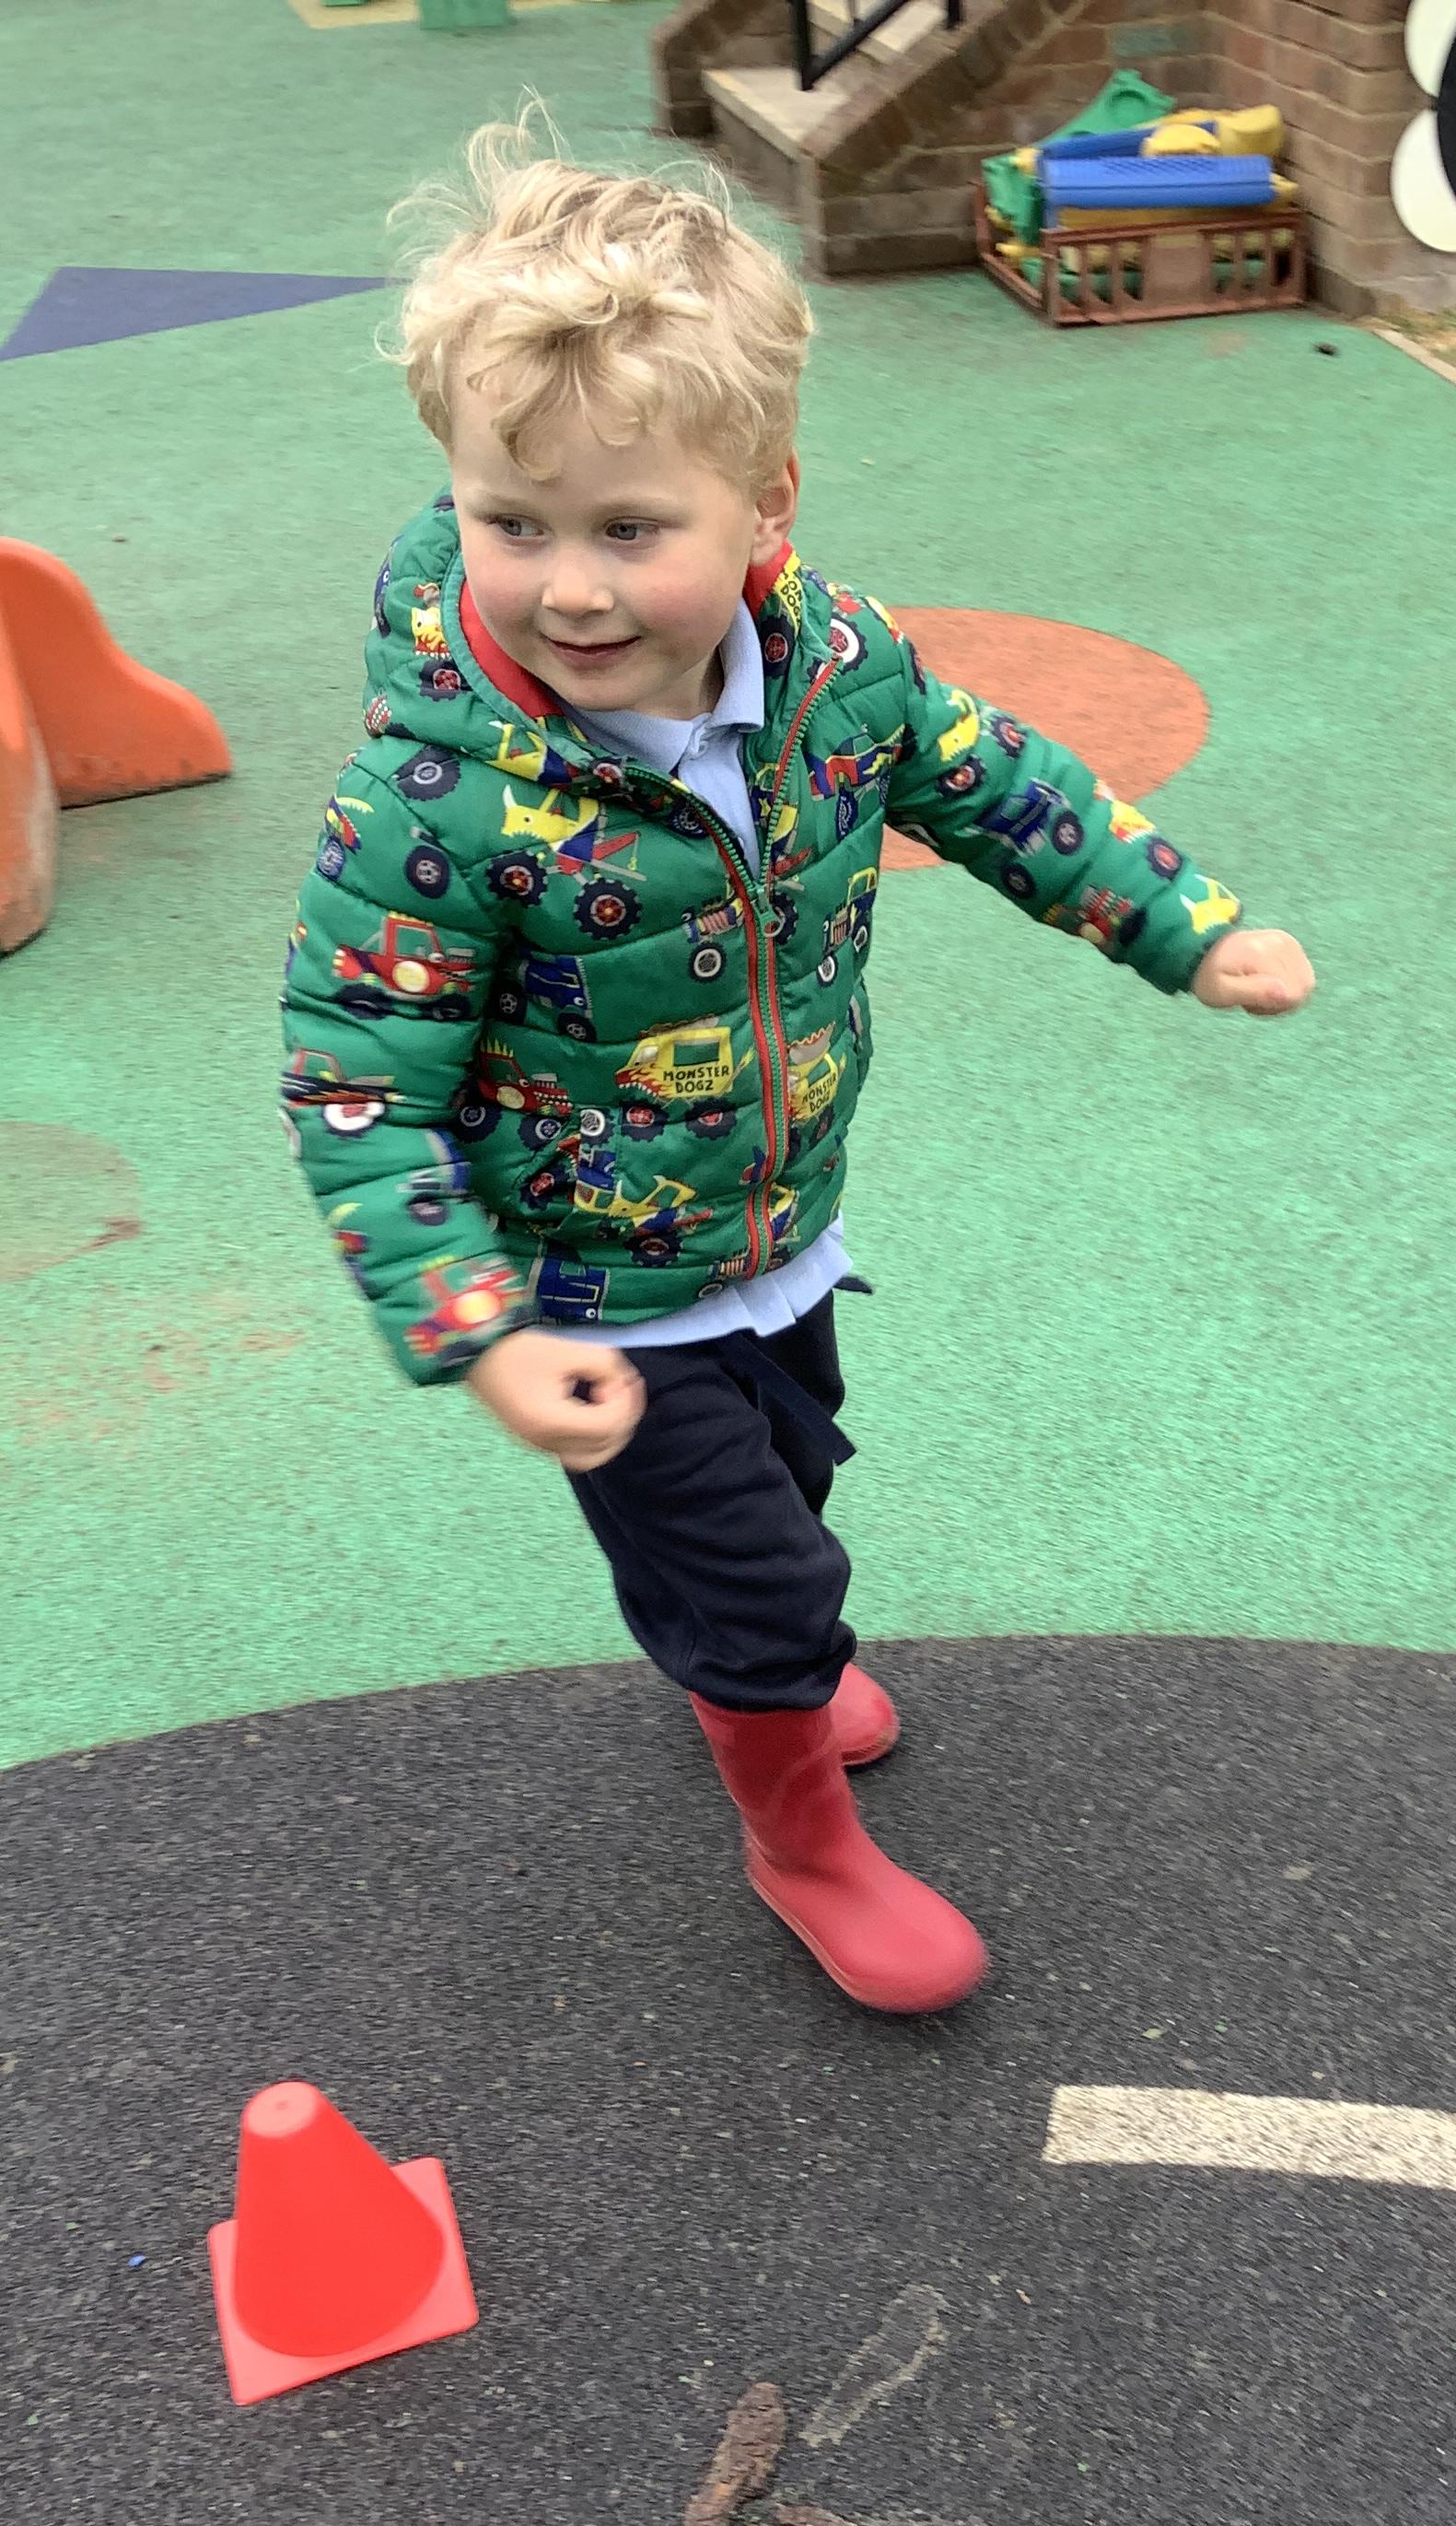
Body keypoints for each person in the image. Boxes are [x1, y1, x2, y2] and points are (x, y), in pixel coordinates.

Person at [281, 126, 1315, 2018]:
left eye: (629, 530)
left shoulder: (836, 671)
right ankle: (798, 1834)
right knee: (757, 1582)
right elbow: (357, 1080)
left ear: (764, 502)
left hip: (776, 1220)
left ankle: (756, 1659)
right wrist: (477, 1327)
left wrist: (1179, 922)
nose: (567, 588)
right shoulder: (437, 799)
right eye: (513, 524)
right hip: (594, 1281)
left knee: (794, 1478)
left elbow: (999, 786)